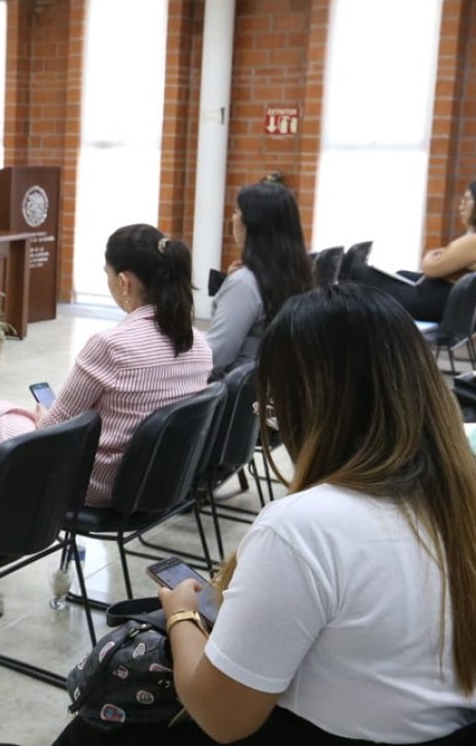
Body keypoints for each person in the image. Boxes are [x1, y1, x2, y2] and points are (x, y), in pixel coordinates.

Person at [144, 283, 476, 745]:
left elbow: (221, 717)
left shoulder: (302, 529)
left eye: (276, 408)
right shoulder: (459, 494)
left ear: (311, 407)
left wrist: (180, 613)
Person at [0, 224, 212, 505]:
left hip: (100, 483)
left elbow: (50, 433)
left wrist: (44, 415)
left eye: (107, 275)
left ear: (124, 282)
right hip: (162, 480)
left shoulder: (112, 346)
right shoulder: (199, 344)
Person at [206, 181, 313, 379]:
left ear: (252, 224)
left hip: (234, 394)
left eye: (237, 211)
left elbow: (214, 356)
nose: (233, 218)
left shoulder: (244, 283)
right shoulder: (297, 272)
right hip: (270, 387)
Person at [350, 180, 476, 322]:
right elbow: (443, 259)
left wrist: (432, 255)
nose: (461, 207)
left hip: (428, 303)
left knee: (359, 272)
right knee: (400, 274)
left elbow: (430, 268)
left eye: (466, 200)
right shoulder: (470, 240)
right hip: (437, 300)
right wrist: (441, 254)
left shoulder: (472, 242)